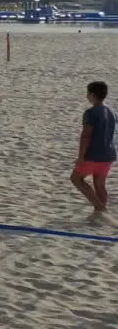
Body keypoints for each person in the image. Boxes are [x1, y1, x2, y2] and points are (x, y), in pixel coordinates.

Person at [71, 81, 116, 224]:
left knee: (76, 179)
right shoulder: (111, 111)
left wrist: (80, 157)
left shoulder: (90, 112)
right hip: (108, 154)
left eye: (87, 93)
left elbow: (86, 135)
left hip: (93, 154)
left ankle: (100, 208)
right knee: (100, 184)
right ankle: (99, 215)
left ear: (92, 95)